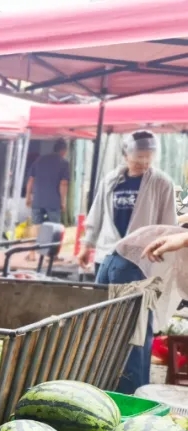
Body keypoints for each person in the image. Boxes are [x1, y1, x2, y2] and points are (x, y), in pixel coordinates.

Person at [98, 224, 188, 394]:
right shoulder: (176, 240)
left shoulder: (170, 236)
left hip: (116, 260)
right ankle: (134, 403)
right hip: (131, 267)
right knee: (134, 341)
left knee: (110, 338)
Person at [79, 130, 177, 273]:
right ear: (126, 156)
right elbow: (96, 216)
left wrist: (163, 252)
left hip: (140, 259)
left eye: (148, 158)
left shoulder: (162, 183)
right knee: (103, 294)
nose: (143, 162)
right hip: (107, 255)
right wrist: (86, 245)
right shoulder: (110, 180)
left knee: (133, 295)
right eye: (138, 157)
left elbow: (168, 222)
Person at [25, 139, 70, 228]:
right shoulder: (64, 163)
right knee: (53, 230)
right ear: (64, 150)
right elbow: (63, 184)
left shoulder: (39, 160)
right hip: (53, 202)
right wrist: (63, 202)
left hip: (37, 201)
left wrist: (28, 197)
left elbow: (31, 180)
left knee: (36, 229)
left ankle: (37, 242)